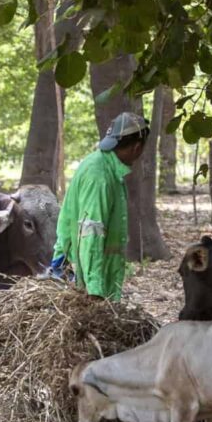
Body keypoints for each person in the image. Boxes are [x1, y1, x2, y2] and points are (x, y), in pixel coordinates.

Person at [50, 112, 150, 301]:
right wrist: (94, 289)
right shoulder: (99, 176)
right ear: (137, 147)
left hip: (96, 272)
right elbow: (90, 233)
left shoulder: (109, 168)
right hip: (82, 277)